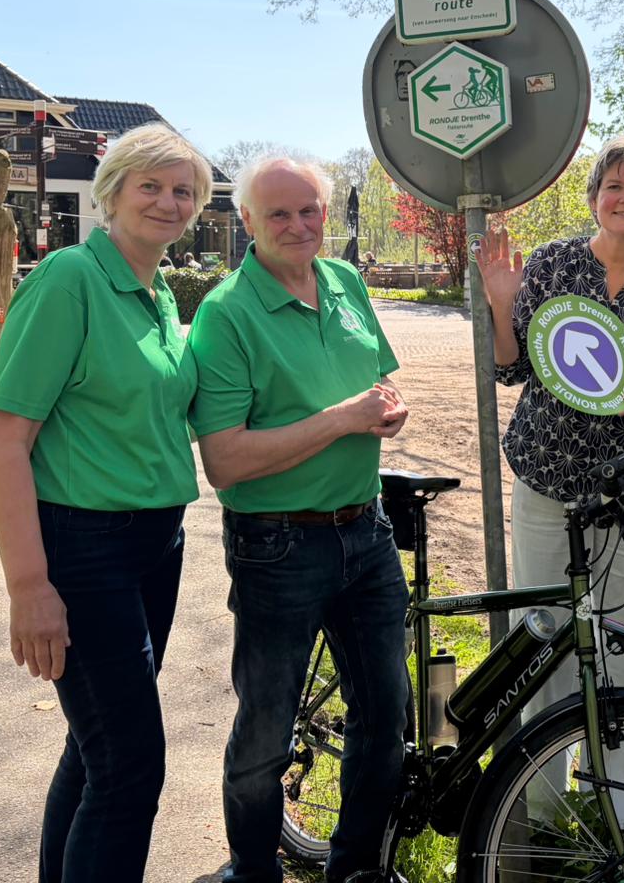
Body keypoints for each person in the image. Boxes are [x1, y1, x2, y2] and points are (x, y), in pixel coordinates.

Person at [0, 123, 214, 883]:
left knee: (96, 754)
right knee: (130, 768)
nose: (169, 202)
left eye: (184, 191)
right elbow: (3, 438)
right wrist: (28, 586)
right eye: (151, 185)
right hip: (85, 548)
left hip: (156, 545)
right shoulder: (71, 279)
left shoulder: (158, 294)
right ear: (111, 192)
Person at [477, 134, 624, 825]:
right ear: (594, 198)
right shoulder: (553, 264)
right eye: (616, 186)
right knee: (544, 639)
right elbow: (510, 368)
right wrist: (501, 303)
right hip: (547, 482)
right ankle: (541, 809)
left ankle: (618, 814)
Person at [188, 157, 410, 883]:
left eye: (309, 209)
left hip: (367, 531)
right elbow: (225, 461)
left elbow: (376, 382)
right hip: (277, 545)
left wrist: (387, 408)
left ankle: (356, 868)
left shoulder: (344, 282)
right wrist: (344, 418)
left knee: (386, 717)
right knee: (266, 731)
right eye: (278, 214)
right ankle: (253, 871)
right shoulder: (226, 313)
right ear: (247, 221)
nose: (298, 225)